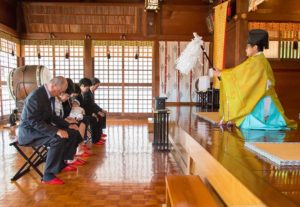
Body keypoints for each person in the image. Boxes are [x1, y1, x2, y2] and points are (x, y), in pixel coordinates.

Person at [214, 29, 297, 130]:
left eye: (248, 46)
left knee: (249, 123)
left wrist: (222, 74)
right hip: (264, 99)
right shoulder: (257, 60)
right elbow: (238, 73)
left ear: (255, 48)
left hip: (262, 101)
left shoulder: (256, 62)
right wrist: (222, 73)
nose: (246, 49)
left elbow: (238, 75)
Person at [18, 76, 82, 185]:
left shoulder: (49, 95)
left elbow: (52, 116)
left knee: (72, 132)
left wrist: (68, 125)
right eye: (60, 91)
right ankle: (48, 175)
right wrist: (56, 131)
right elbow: (33, 122)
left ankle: (62, 162)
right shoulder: (36, 96)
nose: (60, 94)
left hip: (40, 128)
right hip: (29, 132)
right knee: (57, 138)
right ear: (53, 86)